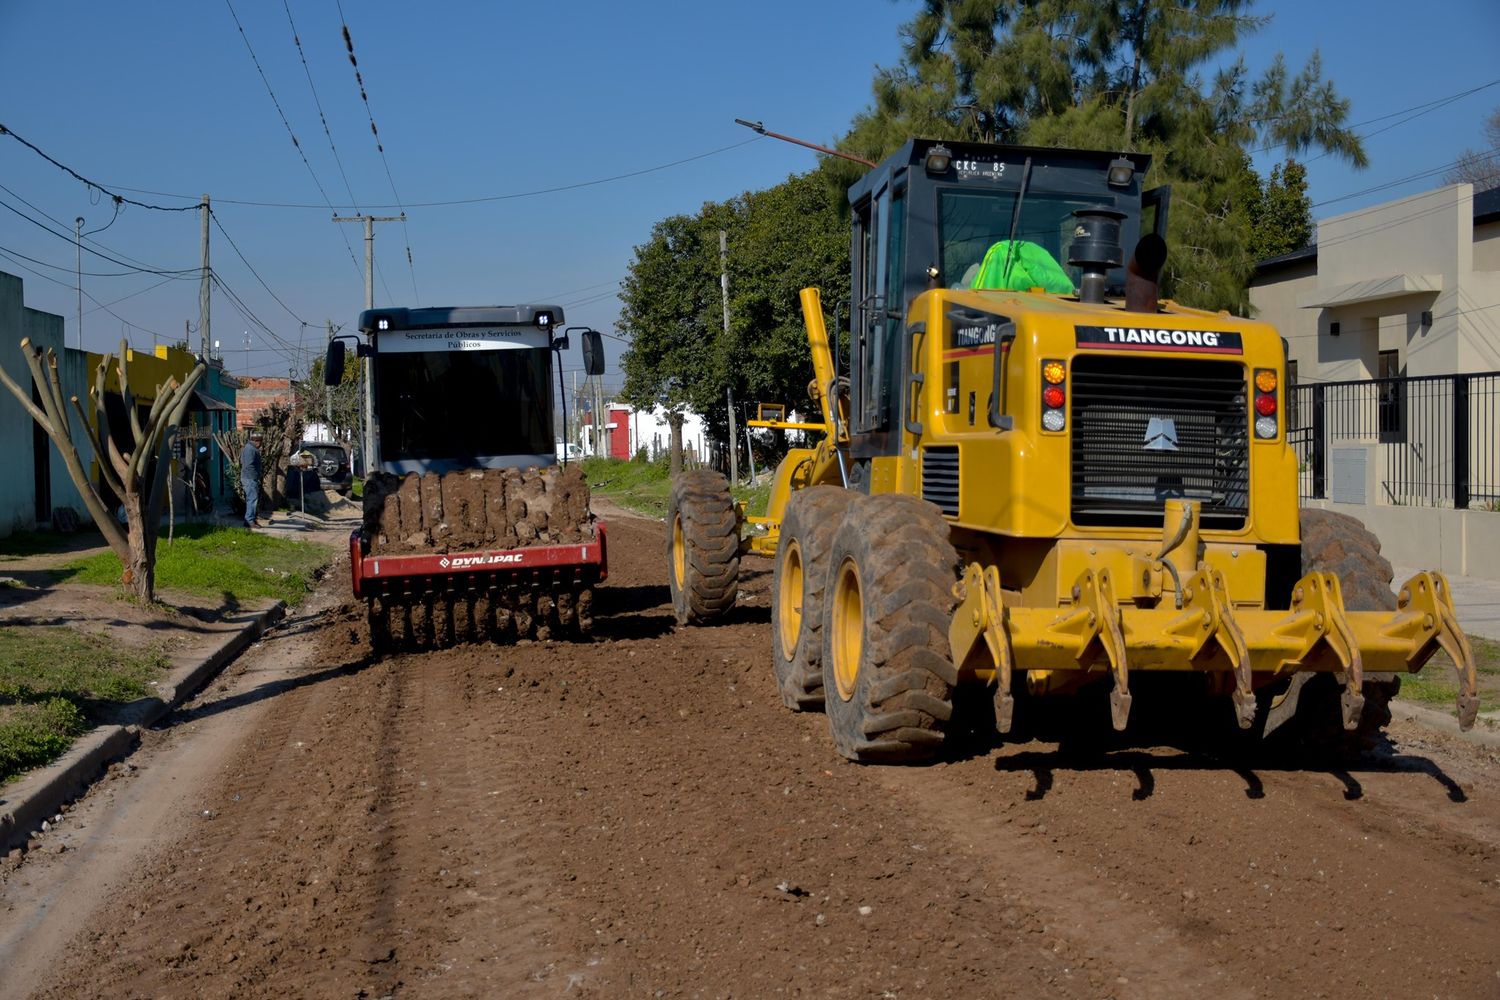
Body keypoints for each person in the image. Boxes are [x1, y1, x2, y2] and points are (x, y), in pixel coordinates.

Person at [241, 431, 264, 528]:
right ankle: (250, 520)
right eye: (261, 442)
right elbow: (248, 465)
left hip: (250, 478)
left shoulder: (250, 448)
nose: (261, 445)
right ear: (257, 441)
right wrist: (255, 475)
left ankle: (251, 519)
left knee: (252, 499)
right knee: (252, 499)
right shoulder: (250, 449)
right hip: (250, 478)